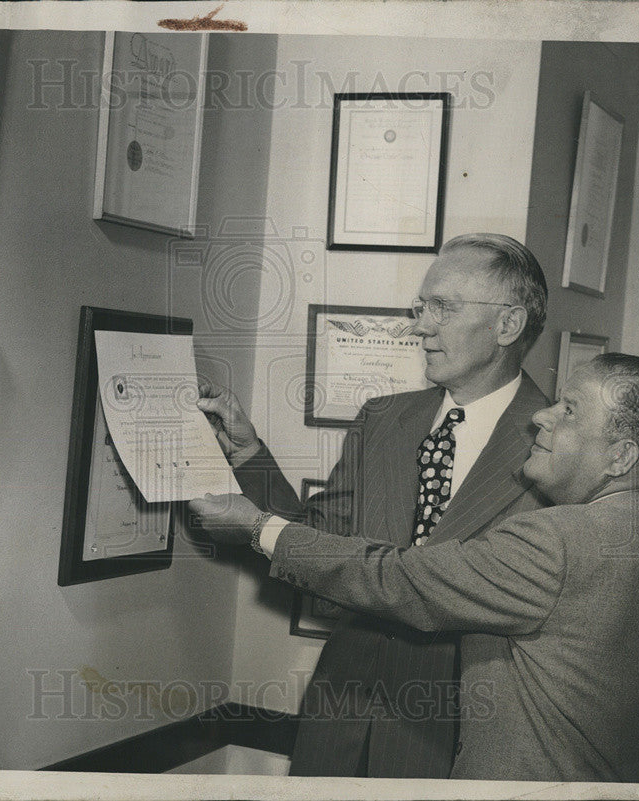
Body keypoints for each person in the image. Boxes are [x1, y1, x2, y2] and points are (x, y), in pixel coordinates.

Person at [191, 354, 639, 783]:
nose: (542, 417)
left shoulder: (556, 542)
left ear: (620, 458)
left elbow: (397, 580)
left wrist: (259, 529)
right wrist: (250, 456)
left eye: (570, 410)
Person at [196, 233, 551, 777]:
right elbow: (318, 543)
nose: (419, 326)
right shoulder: (384, 418)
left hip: (455, 743)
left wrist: (256, 526)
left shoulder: (555, 446)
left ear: (509, 325)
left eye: (443, 308)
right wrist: (248, 455)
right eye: (420, 307)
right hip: (337, 724)